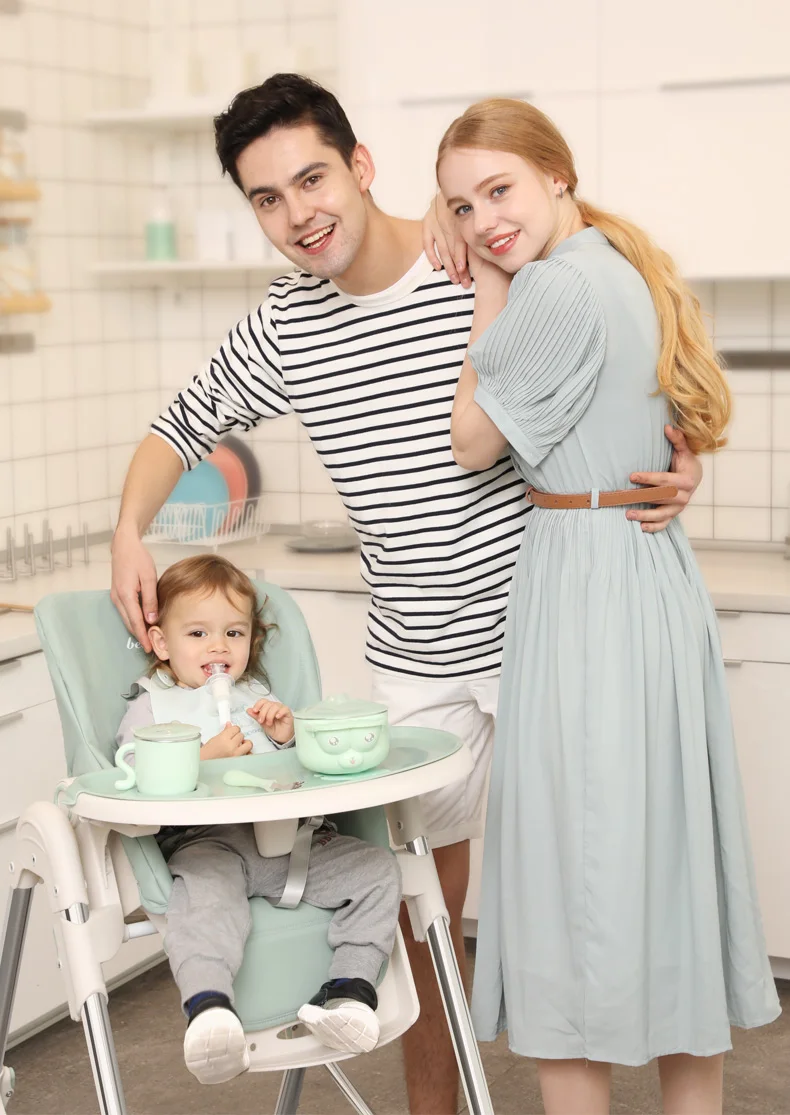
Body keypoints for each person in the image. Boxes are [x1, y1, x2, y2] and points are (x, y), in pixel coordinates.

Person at [109, 74, 702, 1114]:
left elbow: (615, 338)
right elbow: (180, 423)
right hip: (416, 657)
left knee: (605, 894)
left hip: (542, 634)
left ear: (360, 165)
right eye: (267, 198)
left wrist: (678, 454)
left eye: (312, 179)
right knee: (422, 917)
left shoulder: (471, 254)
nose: (299, 214)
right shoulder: (284, 325)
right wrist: (127, 528)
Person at [435, 97, 780, 1115]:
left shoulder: (548, 284)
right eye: (463, 206)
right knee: (667, 875)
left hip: (585, 585)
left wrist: (489, 285)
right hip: (648, 576)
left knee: (566, 887)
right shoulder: (628, 266)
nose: (484, 220)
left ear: (557, 174)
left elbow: (470, 442)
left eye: (499, 190)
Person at [115, 553, 401, 1085]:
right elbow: (131, 770)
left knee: (377, 871)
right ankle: (210, 1009)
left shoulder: (258, 699)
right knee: (203, 904)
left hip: (291, 845)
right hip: (209, 845)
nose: (218, 647)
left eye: (234, 633)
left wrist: (289, 738)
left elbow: (301, 773)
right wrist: (203, 758)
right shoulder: (153, 705)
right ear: (160, 643)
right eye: (197, 633)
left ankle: (349, 992)